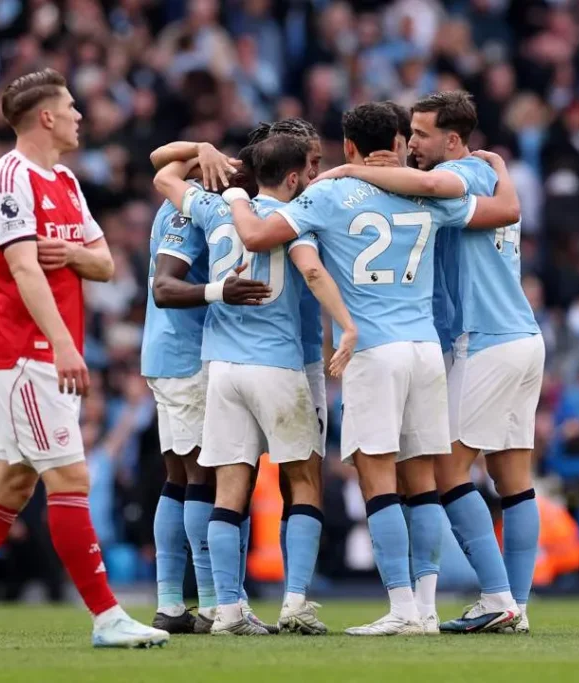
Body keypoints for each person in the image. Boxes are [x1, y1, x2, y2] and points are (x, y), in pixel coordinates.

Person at [223, 102, 520, 635]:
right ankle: (426, 608)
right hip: (426, 349)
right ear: (402, 139)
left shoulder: (330, 193)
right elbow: (500, 214)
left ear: (350, 146)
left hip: (374, 351)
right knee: (424, 481)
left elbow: (257, 237)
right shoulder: (423, 189)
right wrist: (496, 172)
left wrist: (234, 199)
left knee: (378, 480)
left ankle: (403, 608)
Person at [0, 69, 168, 649]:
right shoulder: (7, 180)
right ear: (45, 117)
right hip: (24, 353)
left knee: (12, 487)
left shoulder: (68, 182)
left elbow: (104, 264)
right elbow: (25, 270)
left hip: (44, 351)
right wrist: (67, 344)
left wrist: (72, 251)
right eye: (71, 106)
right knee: (71, 476)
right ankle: (107, 616)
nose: (80, 115)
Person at [310, 91, 541, 633]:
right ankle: (516, 606)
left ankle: (498, 597)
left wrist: (350, 170)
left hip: (484, 339)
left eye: (421, 133)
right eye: (407, 133)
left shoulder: (463, 176)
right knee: (514, 478)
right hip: (521, 335)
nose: (412, 143)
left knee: (445, 470)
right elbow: (501, 207)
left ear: (453, 140)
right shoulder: (487, 173)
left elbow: (447, 190)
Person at [154, 133, 357, 635]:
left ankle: (226, 609)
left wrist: (202, 154)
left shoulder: (213, 208)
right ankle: (295, 604)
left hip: (221, 368)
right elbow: (310, 271)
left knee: (230, 488)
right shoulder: (292, 222)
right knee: (305, 480)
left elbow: (163, 176)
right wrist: (347, 328)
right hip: (278, 367)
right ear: (292, 177)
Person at [141, 139, 271, 633]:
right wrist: (222, 291)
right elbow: (165, 287)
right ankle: (218, 605)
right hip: (185, 354)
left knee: (178, 479)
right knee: (206, 479)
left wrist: (199, 148)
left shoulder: (177, 197)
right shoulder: (191, 212)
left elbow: (160, 161)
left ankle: (172, 605)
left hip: (165, 352)